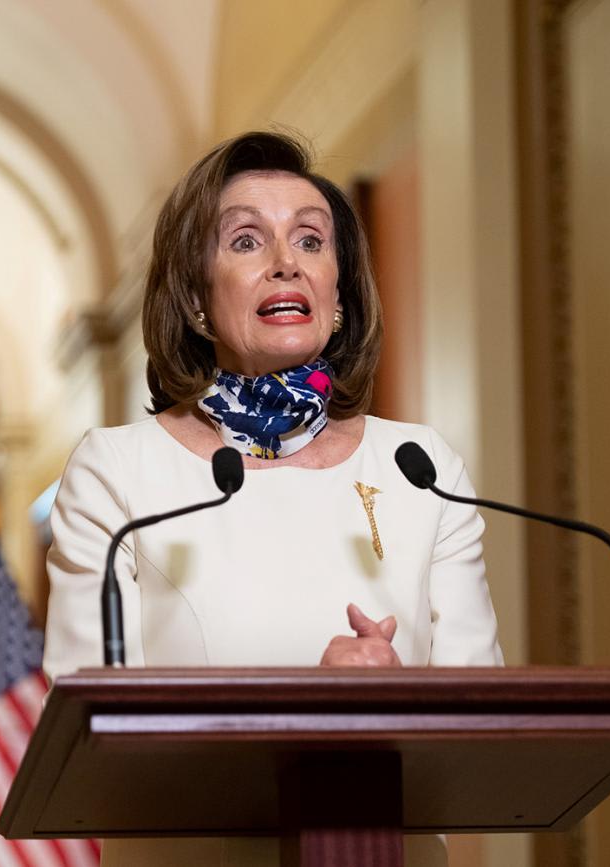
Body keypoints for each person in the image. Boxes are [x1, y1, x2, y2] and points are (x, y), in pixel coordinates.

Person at [42, 131, 502, 865]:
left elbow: (484, 736)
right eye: (248, 240)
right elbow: (85, 737)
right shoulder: (117, 471)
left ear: (340, 292)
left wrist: (394, 705)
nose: (287, 261)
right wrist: (308, 719)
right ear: (194, 295)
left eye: (311, 240)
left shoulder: (420, 466)